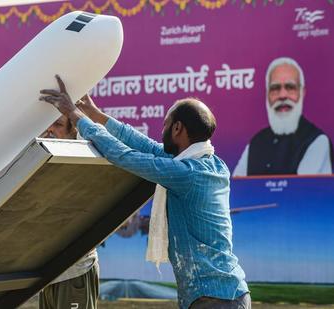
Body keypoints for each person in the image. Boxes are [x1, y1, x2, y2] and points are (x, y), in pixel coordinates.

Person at [40, 75, 250, 309]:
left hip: (215, 300)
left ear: (178, 128)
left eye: (165, 125)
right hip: (221, 295)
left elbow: (124, 156)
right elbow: (143, 145)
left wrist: (75, 116)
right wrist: (96, 114)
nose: (162, 131)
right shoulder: (209, 163)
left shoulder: (188, 173)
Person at [233, 57, 334, 176]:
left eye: (290, 87)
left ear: (302, 92)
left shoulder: (317, 141)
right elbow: (238, 185)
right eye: (275, 88)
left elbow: (301, 191)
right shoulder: (256, 142)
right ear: (267, 95)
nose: (282, 95)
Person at [38, 115, 100, 309]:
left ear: (73, 130)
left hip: (74, 271)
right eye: (47, 125)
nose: (50, 130)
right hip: (47, 275)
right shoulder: (42, 161)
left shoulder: (84, 161)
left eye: (58, 125)